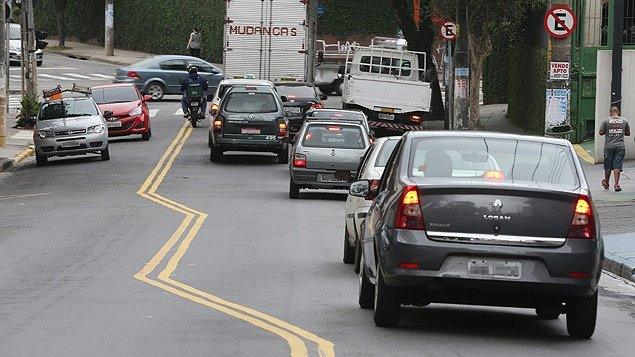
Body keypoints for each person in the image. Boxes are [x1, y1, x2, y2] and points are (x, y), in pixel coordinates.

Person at [599, 106, 630, 192]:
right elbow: (628, 133)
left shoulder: (606, 121)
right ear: (618, 112)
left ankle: (607, 183)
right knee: (617, 165)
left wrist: (609, 130)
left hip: (609, 146)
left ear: (610, 112)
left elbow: (601, 132)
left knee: (608, 166)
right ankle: (616, 184)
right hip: (620, 146)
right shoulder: (624, 121)